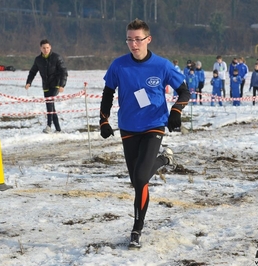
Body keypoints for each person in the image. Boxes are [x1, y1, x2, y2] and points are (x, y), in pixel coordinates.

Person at [98, 18, 190, 249]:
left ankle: (136, 230)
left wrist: (176, 112)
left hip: (154, 125)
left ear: (148, 39)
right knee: (137, 180)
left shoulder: (162, 65)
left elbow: (184, 91)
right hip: (129, 127)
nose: (133, 44)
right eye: (129, 39)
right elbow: (108, 93)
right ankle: (164, 159)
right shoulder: (118, 66)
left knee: (140, 178)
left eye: (138, 39)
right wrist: (103, 121)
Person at [25, 39, 68, 133]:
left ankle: (49, 125)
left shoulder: (57, 57)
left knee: (50, 103)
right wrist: (29, 82)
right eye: (44, 48)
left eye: (47, 47)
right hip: (46, 86)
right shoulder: (38, 60)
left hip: (56, 84)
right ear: (40, 48)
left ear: (50, 47)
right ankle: (58, 129)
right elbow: (33, 72)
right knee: (51, 106)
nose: (46, 50)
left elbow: (64, 71)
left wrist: (62, 85)